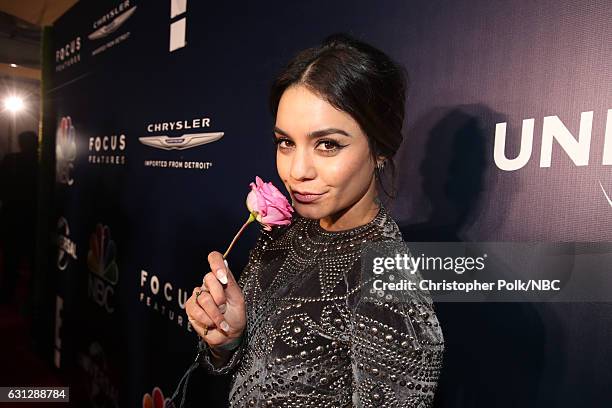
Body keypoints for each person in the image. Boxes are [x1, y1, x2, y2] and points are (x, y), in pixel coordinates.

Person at [185, 33, 444, 407]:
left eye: (328, 145)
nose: (296, 171)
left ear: (380, 149)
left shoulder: (389, 289)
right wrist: (228, 341)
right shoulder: (284, 232)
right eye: (285, 142)